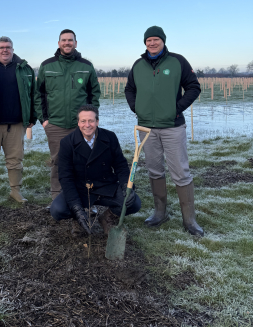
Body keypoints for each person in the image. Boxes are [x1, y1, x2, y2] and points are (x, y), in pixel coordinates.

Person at [125, 25, 203, 236]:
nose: (152, 43)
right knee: (154, 169)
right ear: (145, 43)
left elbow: (194, 87)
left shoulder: (178, 61)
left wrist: (175, 109)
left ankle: (190, 220)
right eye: (148, 40)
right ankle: (160, 213)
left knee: (180, 171)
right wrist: (136, 107)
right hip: (146, 128)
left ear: (163, 40)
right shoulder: (138, 65)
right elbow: (129, 89)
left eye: (156, 39)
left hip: (172, 126)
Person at [50, 105, 141, 236]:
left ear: (97, 121)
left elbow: (120, 165)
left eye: (91, 121)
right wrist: (77, 209)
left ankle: (107, 218)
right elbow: (66, 177)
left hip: (105, 186)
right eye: (83, 121)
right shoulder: (67, 143)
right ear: (78, 123)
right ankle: (78, 220)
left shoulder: (110, 137)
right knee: (58, 210)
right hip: (80, 188)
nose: (87, 125)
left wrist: (127, 186)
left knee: (134, 203)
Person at [34, 29, 101, 202]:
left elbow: (94, 94)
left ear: (76, 43)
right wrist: (44, 120)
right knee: (58, 162)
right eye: (63, 40)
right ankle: (58, 198)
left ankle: (84, 199)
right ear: (59, 43)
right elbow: (38, 94)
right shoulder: (47, 66)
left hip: (81, 125)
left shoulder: (86, 66)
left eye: (70, 40)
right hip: (55, 124)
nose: (67, 43)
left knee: (84, 162)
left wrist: (91, 120)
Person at [0, 36, 37, 204]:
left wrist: (33, 116)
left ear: (13, 49)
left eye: (8, 47)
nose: (5, 50)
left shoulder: (24, 69)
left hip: (15, 124)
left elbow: (33, 95)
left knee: (15, 159)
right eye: (1, 47)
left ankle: (15, 191)